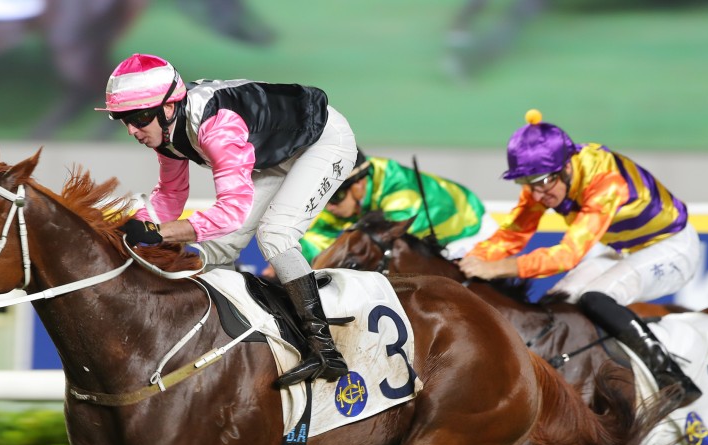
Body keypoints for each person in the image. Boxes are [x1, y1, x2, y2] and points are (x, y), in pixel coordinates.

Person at [98, 54, 357, 388]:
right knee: (219, 247)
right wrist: (131, 227)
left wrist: (161, 233)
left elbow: (231, 212)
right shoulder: (166, 131)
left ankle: (325, 350)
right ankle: (235, 338)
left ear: (168, 108)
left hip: (322, 143)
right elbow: (170, 197)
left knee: (275, 235)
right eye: (123, 119)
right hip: (273, 151)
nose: (133, 130)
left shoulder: (216, 127)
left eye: (139, 117)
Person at [459, 109, 702, 411]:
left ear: (565, 167)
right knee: (556, 303)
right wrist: (470, 261)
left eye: (543, 182)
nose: (537, 195)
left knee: (596, 298)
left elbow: (566, 255)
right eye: (527, 183)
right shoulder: (543, 182)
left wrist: (495, 268)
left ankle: (671, 377)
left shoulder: (605, 180)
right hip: (622, 247)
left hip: (672, 246)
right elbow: (513, 235)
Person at [300, 150, 500, 263]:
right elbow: (317, 239)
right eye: (323, 197)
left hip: (468, 232)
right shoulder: (345, 197)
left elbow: (387, 241)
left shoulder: (399, 191)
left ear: (359, 185)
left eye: (334, 196)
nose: (328, 206)